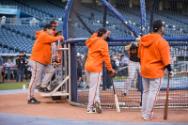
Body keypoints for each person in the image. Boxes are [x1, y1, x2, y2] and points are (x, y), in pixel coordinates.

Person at [138, 20, 173, 120]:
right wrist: (170, 71)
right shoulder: (162, 42)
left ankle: (144, 112)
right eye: (163, 27)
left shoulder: (143, 39)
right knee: (152, 93)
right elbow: (166, 60)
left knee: (146, 92)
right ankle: (147, 114)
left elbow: (139, 56)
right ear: (161, 28)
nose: (164, 28)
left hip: (144, 68)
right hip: (155, 71)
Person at [28, 24, 64, 104]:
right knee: (34, 79)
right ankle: (30, 98)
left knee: (51, 69)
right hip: (37, 60)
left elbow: (54, 42)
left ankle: (43, 86)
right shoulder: (43, 34)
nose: (53, 31)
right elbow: (54, 38)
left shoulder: (46, 35)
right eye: (52, 29)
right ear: (47, 29)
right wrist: (60, 37)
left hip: (44, 61)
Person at [85, 28, 116, 113]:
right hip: (95, 68)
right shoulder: (103, 43)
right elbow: (106, 58)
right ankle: (90, 108)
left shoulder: (92, 39)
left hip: (87, 66)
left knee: (94, 88)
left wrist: (98, 33)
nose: (107, 35)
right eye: (106, 34)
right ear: (103, 34)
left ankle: (97, 102)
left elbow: (87, 41)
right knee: (93, 89)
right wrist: (110, 69)